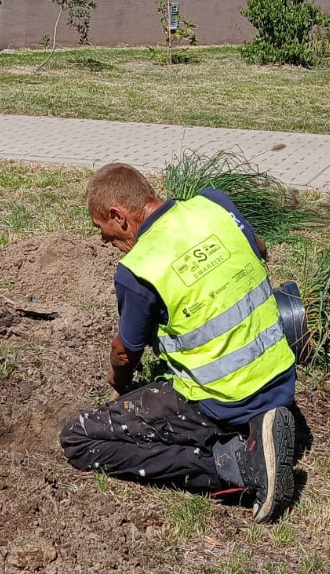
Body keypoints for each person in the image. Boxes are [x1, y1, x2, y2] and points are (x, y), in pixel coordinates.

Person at [59, 163, 297, 523]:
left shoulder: (138, 269)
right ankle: (263, 426)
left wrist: (119, 384)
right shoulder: (213, 204)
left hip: (224, 399)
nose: (104, 241)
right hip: (279, 375)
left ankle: (235, 464)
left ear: (117, 215)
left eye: (102, 229)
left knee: (78, 439)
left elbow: (125, 352)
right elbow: (259, 250)